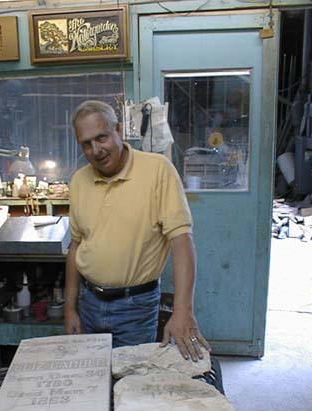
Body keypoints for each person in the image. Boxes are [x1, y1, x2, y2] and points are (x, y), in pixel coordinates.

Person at [64, 100, 210, 361]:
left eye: (102, 137)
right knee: (93, 379)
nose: (96, 150)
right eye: (86, 143)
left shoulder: (157, 170)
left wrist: (182, 311)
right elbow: (76, 245)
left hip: (135, 306)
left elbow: (181, 241)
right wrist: (70, 308)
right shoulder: (78, 181)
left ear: (118, 130)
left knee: (131, 382)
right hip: (89, 303)